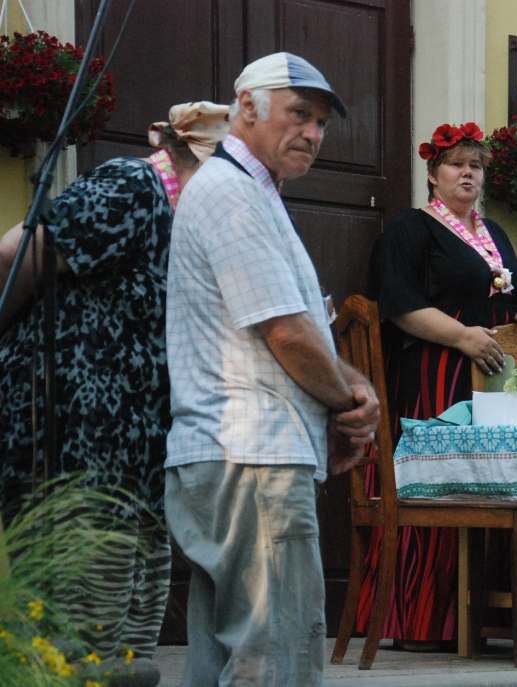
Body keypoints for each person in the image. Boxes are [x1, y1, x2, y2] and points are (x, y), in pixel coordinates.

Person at [163, 53, 380, 686]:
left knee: (225, 659)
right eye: (299, 115)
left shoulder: (251, 191)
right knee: (274, 662)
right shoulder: (233, 192)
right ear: (248, 108)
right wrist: (349, 407)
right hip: (250, 454)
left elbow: (293, 325)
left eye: (321, 123)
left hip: (232, 456)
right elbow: (285, 334)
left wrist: (353, 388)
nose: (313, 133)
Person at [0, 101, 230, 660]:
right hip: (78, 428)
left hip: (143, 439)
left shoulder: (197, 218)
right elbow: (14, 255)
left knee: (135, 616)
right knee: (82, 620)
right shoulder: (130, 186)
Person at [355, 121, 517, 648]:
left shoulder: (495, 233)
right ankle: (424, 621)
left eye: (476, 166)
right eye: (458, 164)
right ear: (433, 174)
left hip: (494, 376)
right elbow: (400, 305)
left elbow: (513, 296)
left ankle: (488, 618)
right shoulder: (411, 230)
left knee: (498, 483)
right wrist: (462, 336)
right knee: (446, 485)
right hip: (440, 374)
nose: (469, 173)